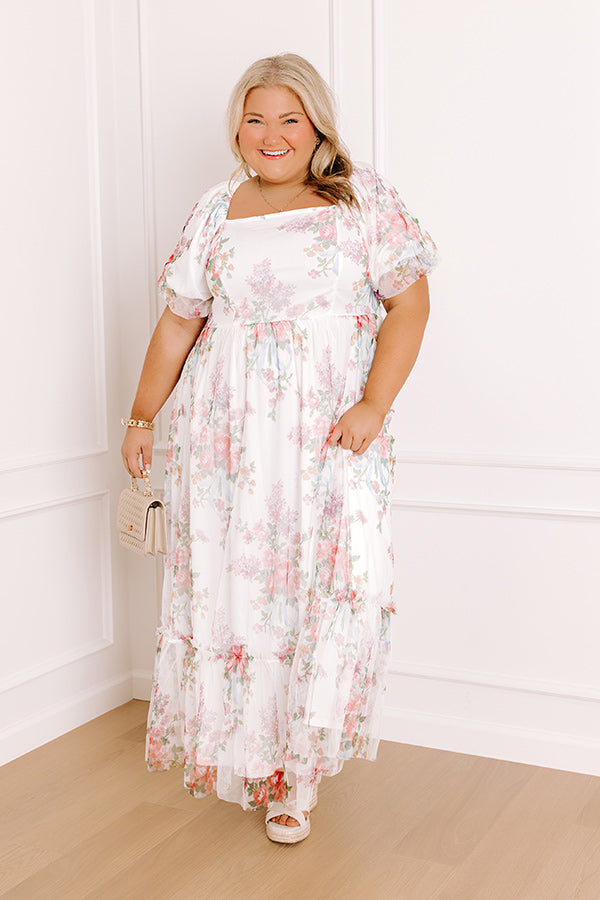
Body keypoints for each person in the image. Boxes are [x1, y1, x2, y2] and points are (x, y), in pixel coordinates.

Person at [121, 52, 438, 844]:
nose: (272, 134)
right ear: (237, 129)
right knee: (241, 588)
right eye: (255, 118)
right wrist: (141, 416)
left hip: (329, 434)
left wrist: (374, 403)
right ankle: (255, 756)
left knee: (324, 585)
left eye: (289, 118)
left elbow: (410, 304)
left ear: (317, 126)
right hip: (225, 440)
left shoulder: (362, 200)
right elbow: (179, 323)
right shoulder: (214, 208)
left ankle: (300, 771)